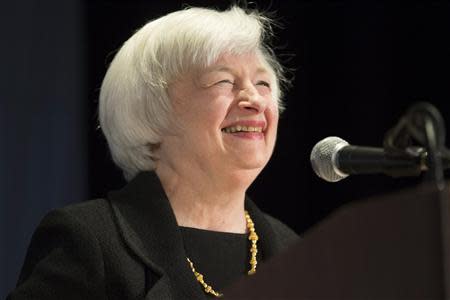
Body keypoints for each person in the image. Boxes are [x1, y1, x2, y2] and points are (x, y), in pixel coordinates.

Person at [7, 5, 299, 300]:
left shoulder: (295, 254)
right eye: (224, 81)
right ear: (152, 110)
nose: (255, 100)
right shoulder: (89, 242)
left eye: (262, 84)